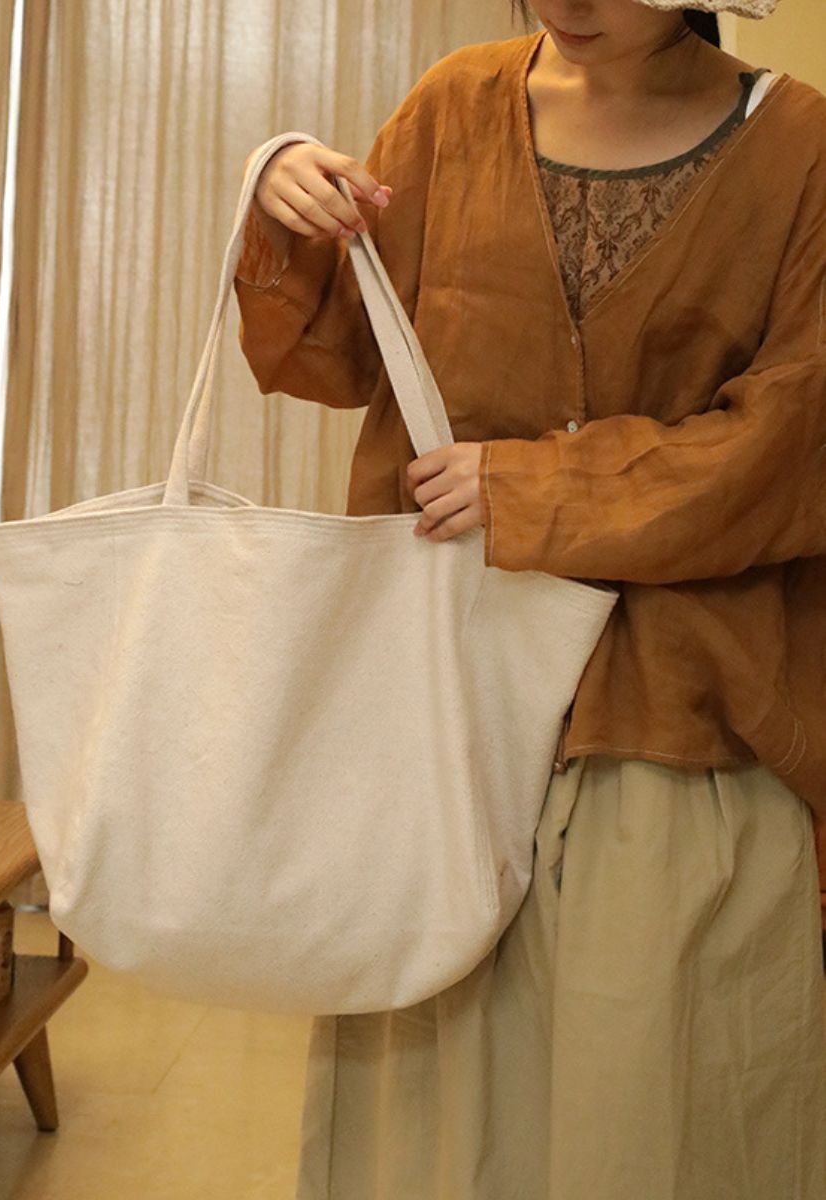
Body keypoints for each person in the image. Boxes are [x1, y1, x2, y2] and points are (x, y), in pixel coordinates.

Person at [233, 1, 826, 1196]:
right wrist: (286, 203)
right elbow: (338, 353)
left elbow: (794, 439)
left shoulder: (800, 148)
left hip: (682, 713)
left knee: (650, 1117)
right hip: (441, 704)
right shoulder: (452, 109)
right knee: (422, 1123)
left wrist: (533, 486)